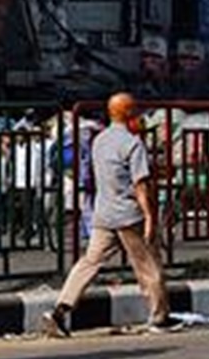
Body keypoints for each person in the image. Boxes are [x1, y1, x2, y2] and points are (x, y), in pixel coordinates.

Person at [41, 94, 182, 338]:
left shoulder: (100, 140)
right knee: (149, 267)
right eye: (136, 111)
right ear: (129, 114)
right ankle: (159, 317)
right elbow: (141, 185)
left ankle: (60, 310)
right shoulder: (132, 144)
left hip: (103, 213)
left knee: (89, 263)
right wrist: (149, 217)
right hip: (128, 215)